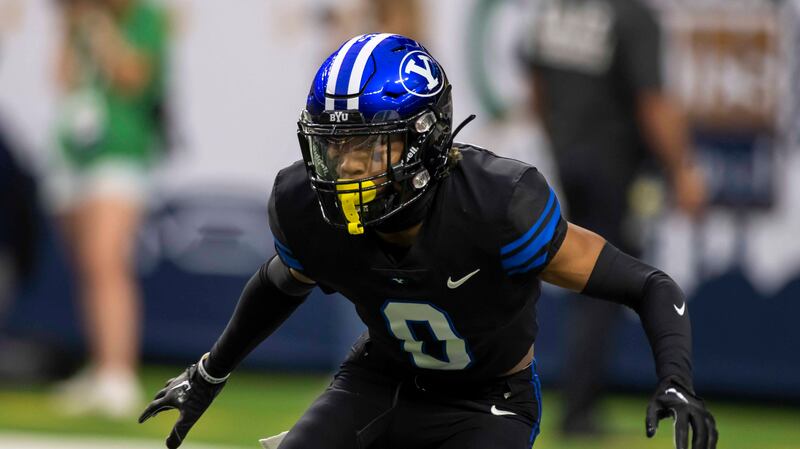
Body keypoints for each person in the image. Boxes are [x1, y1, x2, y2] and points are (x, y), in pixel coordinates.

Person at [138, 34, 717, 449]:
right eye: (333, 148)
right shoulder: (306, 207)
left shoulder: (498, 206)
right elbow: (279, 284)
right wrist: (209, 373)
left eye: (367, 148)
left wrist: (676, 379)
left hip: (488, 402)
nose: (345, 168)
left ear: (425, 140)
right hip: (378, 380)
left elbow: (649, 284)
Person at [518, 0, 706, 435]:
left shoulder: (557, 12)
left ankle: (574, 400)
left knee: (581, 275)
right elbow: (652, 102)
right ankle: (579, 409)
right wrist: (683, 170)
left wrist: (561, 142)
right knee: (607, 280)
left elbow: (537, 90)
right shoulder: (633, 16)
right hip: (614, 165)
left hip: (571, 158)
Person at [49, 0, 168, 418]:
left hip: (120, 152)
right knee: (87, 266)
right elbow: (62, 78)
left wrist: (102, 33)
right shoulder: (78, 18)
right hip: (75, 155)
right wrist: (72, 27)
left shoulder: (146, 18)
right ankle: (101, 364)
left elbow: (134, 78)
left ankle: (119, 374)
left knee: (106, 260)